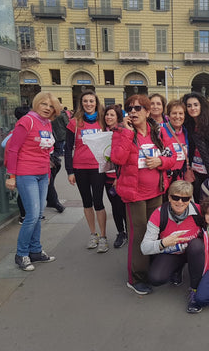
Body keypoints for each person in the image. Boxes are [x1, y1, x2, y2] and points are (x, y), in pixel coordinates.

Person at [110, 94, 176, 295]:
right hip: (134, 194)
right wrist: (128, 134)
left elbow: (173, 156)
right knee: (138, 235)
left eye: (138, 108)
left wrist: (161, 163)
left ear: (148, 112)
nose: (132, 111)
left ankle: (153, 269)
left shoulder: (158, 132)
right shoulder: (121, 132)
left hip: (156, 191)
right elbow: (117, 159)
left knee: (154, 232)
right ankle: (136, 278)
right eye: (129, 108)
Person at [5, 92, 60, 271]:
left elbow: (47, 149)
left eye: (51, 106)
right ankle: (21, 254)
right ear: (36, 104)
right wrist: (11, 176)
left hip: (43, 174)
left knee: (38, 214)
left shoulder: (47, 124)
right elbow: (13, 149)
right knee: (32, 215)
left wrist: (48, 174)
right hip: (25, 173)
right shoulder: (27, 121)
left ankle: (35, 250)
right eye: (44, 104)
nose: (47, 108)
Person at [140, 181, 204, 312]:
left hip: (193, 252)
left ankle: (195, 289)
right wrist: (163, 243)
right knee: (156, 278)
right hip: (171, 252)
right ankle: (177, 269)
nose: (180, 202)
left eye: (185, 198)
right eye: (175, 197)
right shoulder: (159, 214)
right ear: (169, 197)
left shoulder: (199, 210)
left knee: (197, 245)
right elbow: (144, 247)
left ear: (190, 199)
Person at [65, 90, 109, 253]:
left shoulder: (103, 121)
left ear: (96, 103)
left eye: (91, 101)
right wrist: (69, 171)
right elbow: (68, 148)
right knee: (87, 202)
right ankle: (93, 233)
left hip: (98, 167)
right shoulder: (74, 122)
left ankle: (103, 236)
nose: (89, 104)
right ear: (81, 103)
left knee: (98, 201)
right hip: (80, 167)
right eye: (85, 101)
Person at [183, 92, 209, 201]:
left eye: (196, 105)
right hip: (194, 173)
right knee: (198, 203)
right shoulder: (188, 125)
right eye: (189, 106)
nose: (192, 108)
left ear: (201, 106)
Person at [103, 104, 128, 248]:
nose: (109, 117)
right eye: (107, 114)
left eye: (112, 115)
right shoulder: (103, 132)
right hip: (106, 175)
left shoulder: (123, 132)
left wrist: (119, 177)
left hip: (120, 177)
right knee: (115, 206)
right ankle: (121, 232)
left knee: (123, 207)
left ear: (118, 117)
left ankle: (130, 233)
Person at [160, 100, 190, 183]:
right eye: (174, 113)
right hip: (165, 178)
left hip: (180, 178)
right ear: (168, 116)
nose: (177, 116)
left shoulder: (185, 132)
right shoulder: (160, 130)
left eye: (181, 113)